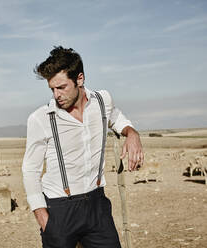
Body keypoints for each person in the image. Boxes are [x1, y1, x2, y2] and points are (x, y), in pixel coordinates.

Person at [22, 46, 144, 248]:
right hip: (60, 210)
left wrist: (132, 133)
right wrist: (45, 221)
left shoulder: (102, 100)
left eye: (61, 87)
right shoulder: (40, 119)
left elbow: (117, 118)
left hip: (97, 205)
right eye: (52, 89)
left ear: (80, 79)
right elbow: (30, 170)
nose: (56, 95)